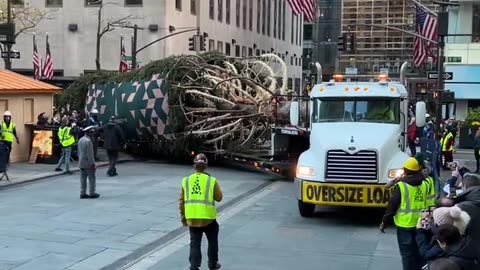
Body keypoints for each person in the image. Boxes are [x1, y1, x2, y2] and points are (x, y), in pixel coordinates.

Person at [380, 157, 428, 270]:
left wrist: (384, 222)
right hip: (420, 224)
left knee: (407, 255)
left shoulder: (401, 186)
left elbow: (392, 206)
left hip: (405, 225)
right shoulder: (425, 184)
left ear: (405, 170)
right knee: (418, 253)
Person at [179, 153, 223, 270]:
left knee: (195, 243)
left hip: (192, 218)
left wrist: (183, 216)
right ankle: (212, 264)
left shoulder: (186, 180)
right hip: (208, 218)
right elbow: (219, 198)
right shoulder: (211, 180)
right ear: (206, 166)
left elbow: (181, 201)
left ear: (194, 166)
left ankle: (194, 266)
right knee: (212, 242)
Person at [78, 126, 100, 199]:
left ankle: (82, 193)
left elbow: (79, 152)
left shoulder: (80, 140)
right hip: (88, 163)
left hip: (81, 162)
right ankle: (92, 192)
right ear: (89, 133)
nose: (93, 134)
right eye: (92, 132)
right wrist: (93, 164)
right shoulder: (88, 141)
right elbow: (90, 154)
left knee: (83, 179)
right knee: (92, 178)